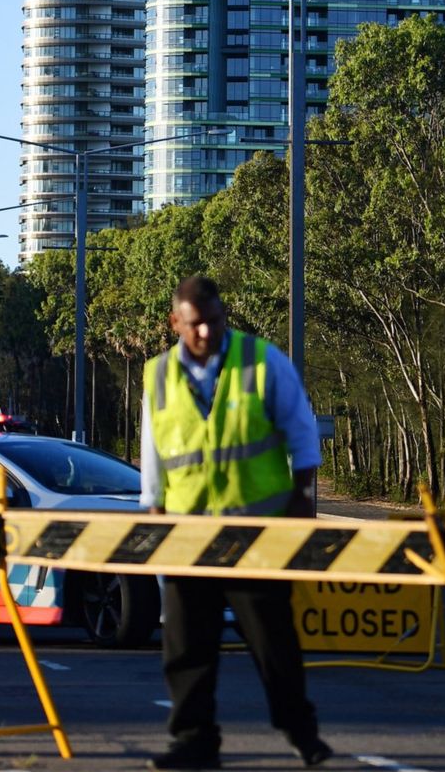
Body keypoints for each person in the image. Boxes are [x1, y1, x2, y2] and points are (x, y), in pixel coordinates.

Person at [141, 276, 331, 770]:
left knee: (273, 641)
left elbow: (301, 432)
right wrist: (153, 509)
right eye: (195, 323)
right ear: (175, 322)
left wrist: (302, 498)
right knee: (186, 645)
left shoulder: (262, 360)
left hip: (255, 531)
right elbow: (154, 452)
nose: (206, 331)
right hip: (188, 534)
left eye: (214, 321)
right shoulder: (157, 375)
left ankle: (301, 732)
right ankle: (194, 740)